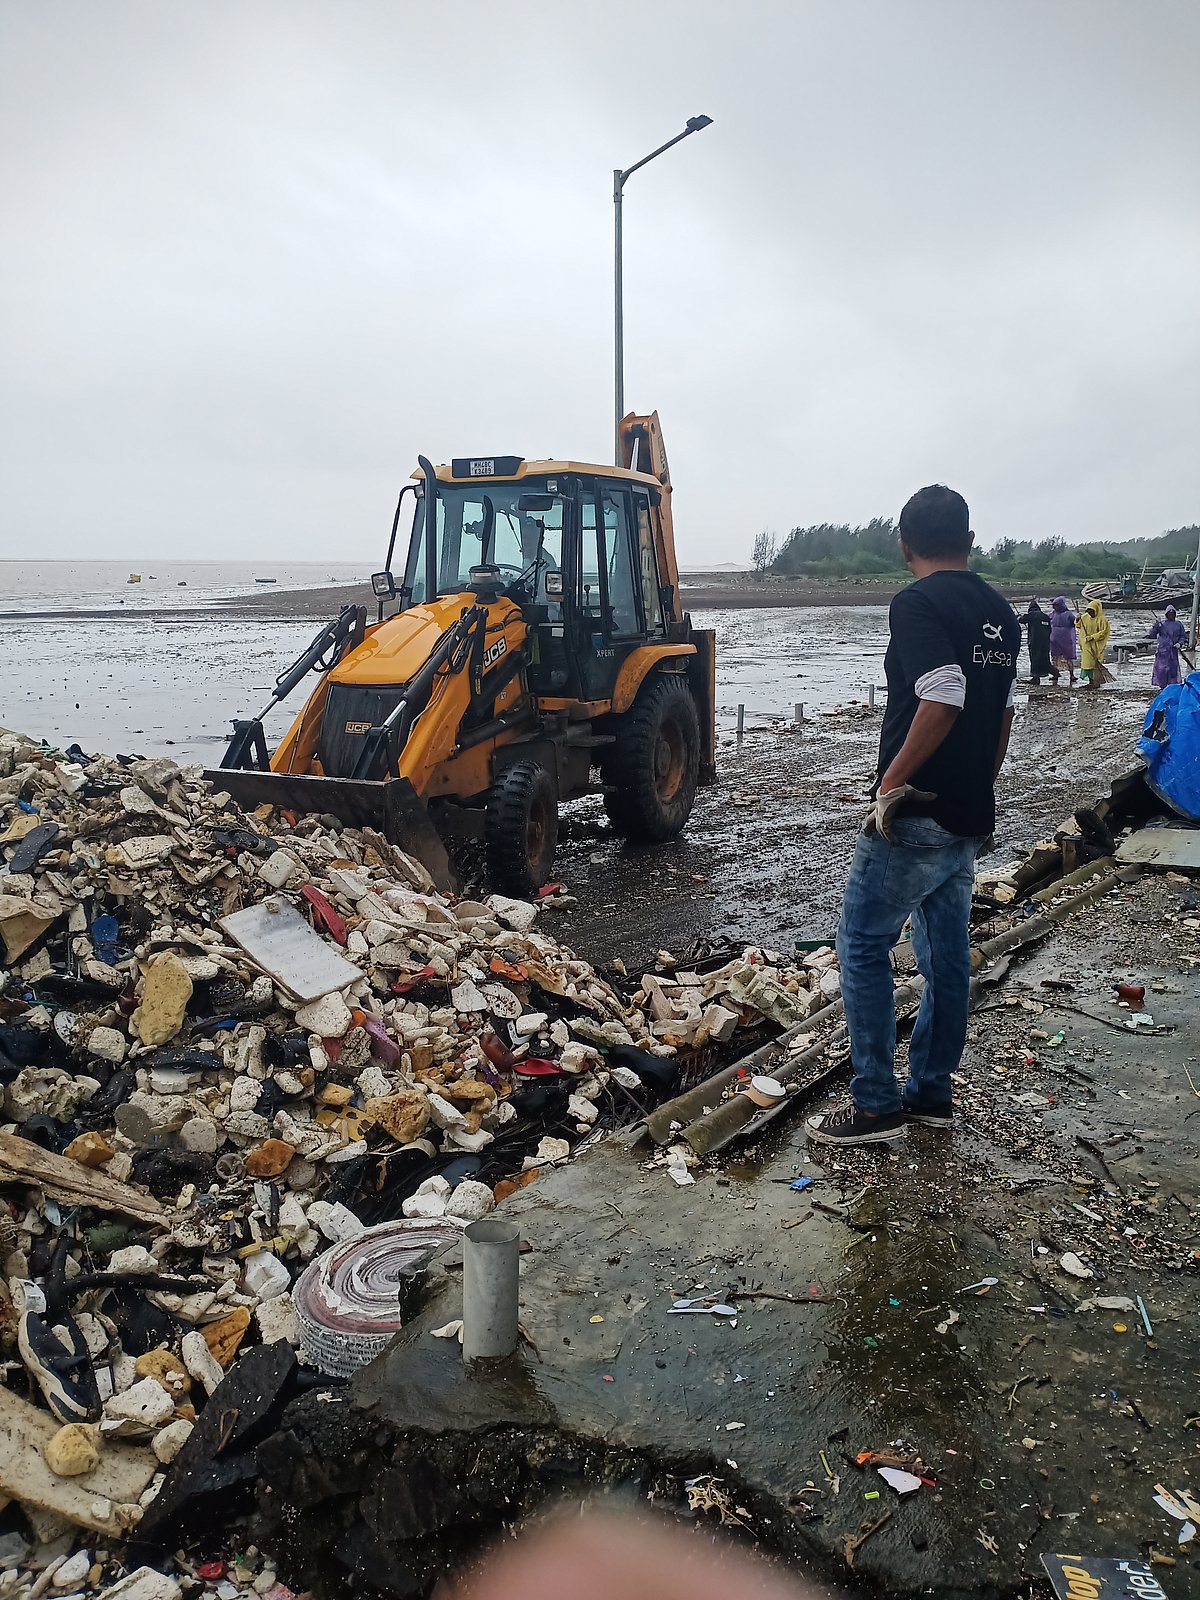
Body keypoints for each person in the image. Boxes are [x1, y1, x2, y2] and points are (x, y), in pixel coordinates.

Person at [806, 485, 1019, 1147]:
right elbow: (1004, 711)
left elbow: (944, 691)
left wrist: (890, 784)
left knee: (863, 946)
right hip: (966, 813)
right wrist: (979, 785)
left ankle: (875, 1103)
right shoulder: (1000, 611)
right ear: (970, 540)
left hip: (916, 814)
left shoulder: (917, 602)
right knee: (947, 954)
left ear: (904, 545)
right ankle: (930, 1093)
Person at [1149, 605, 1187, 688]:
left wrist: (1180, 643)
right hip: (1162, 652)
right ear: (1166, 614)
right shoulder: (1161, 624)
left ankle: (1172, 687)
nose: (1171, 615)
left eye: (1172, 613)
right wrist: (1156, 624)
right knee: (1161, 670)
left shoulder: (1178, 624)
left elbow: (1183, 636)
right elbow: (1152, 634)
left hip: (1173, 651)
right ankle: (1162, 687)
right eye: (1169, 614)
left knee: (1172, 671)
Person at [1078, 598, 1111, 688]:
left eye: (1091, 611)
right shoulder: (1085, 617)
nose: (1090, 613)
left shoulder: (1102, 620)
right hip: (1086, 645)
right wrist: (1077, 620)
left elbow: (1104, 632)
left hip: (1096, 645)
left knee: (1094, 663)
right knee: (1087, 664)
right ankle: (1091, 681)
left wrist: (1092, 637)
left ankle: (1096, 682)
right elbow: (1078, 625)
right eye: (1088, 611)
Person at [1048, 596, 1078, 687]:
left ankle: (1072, 675)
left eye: (1056, 605)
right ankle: (1055, 674)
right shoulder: (1052, 614)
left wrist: (1079, 619)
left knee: (1068, 657)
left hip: (1066, 639)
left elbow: (1076, 623)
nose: (1054, 607)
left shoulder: (1069, 614)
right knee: (1055, 657)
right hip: (1054, 639)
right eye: (1053, 605)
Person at [1020, 599, 1052, 685]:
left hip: (1035, 641)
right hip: (1045, 642)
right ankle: (1049, 673)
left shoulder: (1032, 615)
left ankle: (1035, 677)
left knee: (1035, 658)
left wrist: (1021, 616)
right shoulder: (1045, 616)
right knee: (1044, 658)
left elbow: (1021, 620)